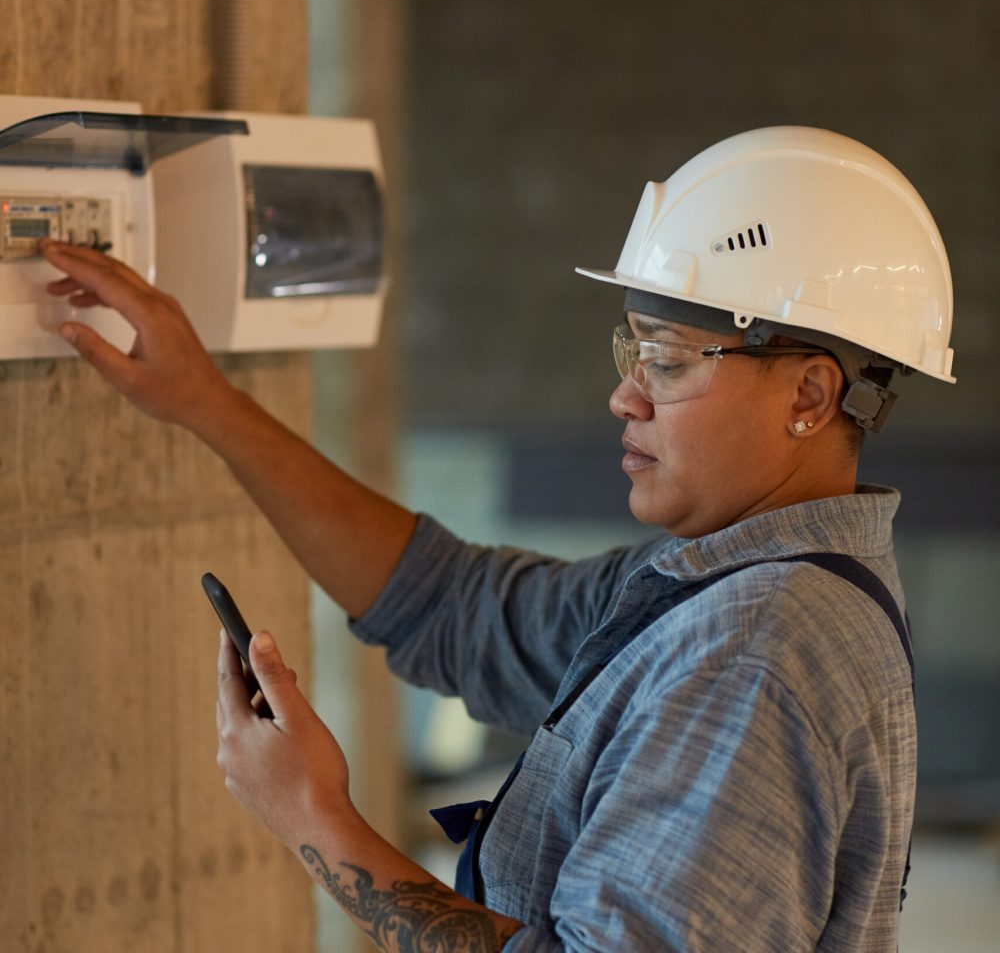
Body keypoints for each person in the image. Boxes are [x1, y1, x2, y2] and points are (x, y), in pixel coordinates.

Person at [40, 125, 955, 952]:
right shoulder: (726, 586)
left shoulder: (757, 647)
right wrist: (207, 403)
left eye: (670, 361)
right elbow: (449, 602)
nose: (626, 396)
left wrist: (315, 820)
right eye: (631, 353)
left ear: (810, 395)